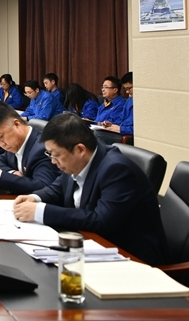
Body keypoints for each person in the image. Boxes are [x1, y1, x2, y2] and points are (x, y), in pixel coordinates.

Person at [12, 112, 167, 266]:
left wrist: (41, 212)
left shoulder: (117, 170)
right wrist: (35, 198)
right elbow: (57, 189)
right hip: (93, 243)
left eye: (55, 155)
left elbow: (101, 221)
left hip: (131, 258)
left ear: (80, 150)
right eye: (50, 154)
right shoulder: (74, 162)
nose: (53, 161)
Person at [0, 102, 61, 194]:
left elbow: (43, 186)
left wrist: (1, 177)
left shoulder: (42, 149)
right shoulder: (14, 144)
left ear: (16, 124)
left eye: (1, 137)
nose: (1, 144)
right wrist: (12, 172)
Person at [96, 72, 133, 144]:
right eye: (125, 89)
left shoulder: (122, 103)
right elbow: (121, 118)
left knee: (96, 135)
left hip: (127, 135)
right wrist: (111, 125)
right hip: (120, 131)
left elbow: (140, 130)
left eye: (129, 88)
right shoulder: (129, 100)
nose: (127, 92)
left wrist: (121, 129)